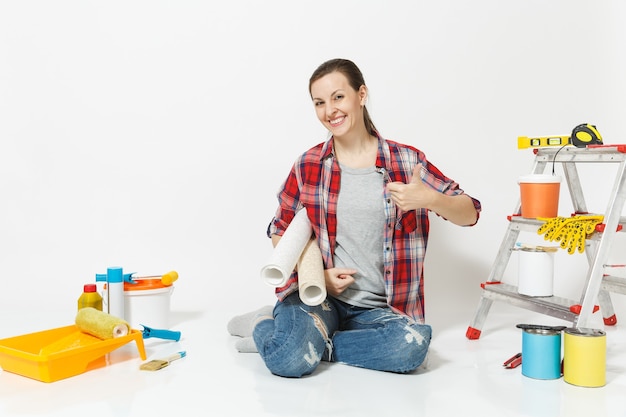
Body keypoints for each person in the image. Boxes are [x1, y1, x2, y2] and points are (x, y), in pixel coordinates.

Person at [227, 58, 481, 378]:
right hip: (319, 297)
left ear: (361, 95)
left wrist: (430, 198)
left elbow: (469, 212)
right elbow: (281, 229)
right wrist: (318, 276)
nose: (329, 110)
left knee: (412, 346)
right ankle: (264, 322)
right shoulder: (308, 165)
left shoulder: (406, 160)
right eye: (319, 103)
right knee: (289, 362)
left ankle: (310, 343)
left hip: (381, 311)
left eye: (338, 97)